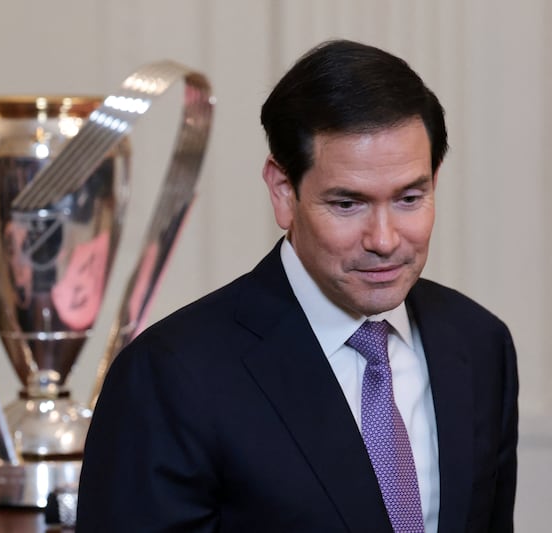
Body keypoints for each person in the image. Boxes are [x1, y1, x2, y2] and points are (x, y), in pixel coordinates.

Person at [76, 39, 518, 533]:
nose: (385, 239)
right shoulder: (169, 377)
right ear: (284, 192)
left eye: (410, 198)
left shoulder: (481, 345)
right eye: (347, 204)